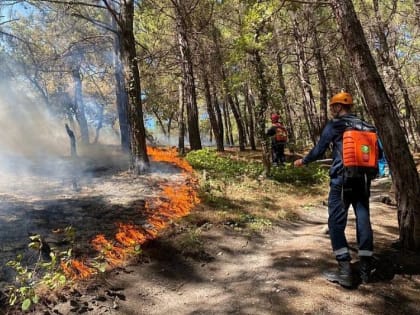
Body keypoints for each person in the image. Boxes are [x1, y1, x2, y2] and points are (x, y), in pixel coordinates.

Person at [294, 92, 374, 287]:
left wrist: (303, 161)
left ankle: (345, 270)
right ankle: (366, 270)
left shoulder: (335, 125)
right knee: (363, 220)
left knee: (336, 222)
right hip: (363, 181)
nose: (331, 111)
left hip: (342, 180)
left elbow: (319, 149)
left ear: (339, 107)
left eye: (332, 107)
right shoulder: (367, 126)